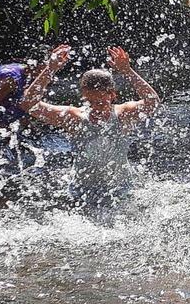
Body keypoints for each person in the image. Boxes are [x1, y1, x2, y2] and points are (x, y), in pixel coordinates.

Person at [21, 45, 161, 208]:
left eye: (101, 102)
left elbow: (153, 102)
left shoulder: (123, 115)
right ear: (83, 97)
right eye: (90, 102)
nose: (96, 107)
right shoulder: (74, 117)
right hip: (82, 193)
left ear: (112, 95)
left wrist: (128, 71)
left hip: (120, 190)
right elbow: (28, 104)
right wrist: (49, 69)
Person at [0, 45, 62, 165]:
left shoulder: (30, 75)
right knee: (22, 107)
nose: (49, 72)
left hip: (1, 103)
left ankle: (3, 132)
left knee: (27, 106)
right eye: (46, 67)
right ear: (35, 65)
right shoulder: (12, 79)